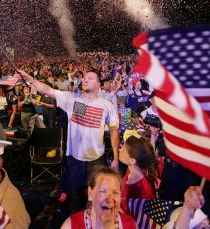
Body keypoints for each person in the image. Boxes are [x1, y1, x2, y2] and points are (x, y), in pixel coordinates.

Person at [19, 69, 120, 213]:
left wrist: (115, 158)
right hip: (75, 161)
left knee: (97, 198)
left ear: (98, 85)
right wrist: (30, 79)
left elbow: (113, 130)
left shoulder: (106, 105)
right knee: (74, 200)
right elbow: (48, 90)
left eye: (90, 78)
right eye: (84, 78)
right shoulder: (73, 101)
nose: (85, 80)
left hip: (97, 161)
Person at [60, 166, 136, 229]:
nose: (110, 199)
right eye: (103, 191)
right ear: (90, 193)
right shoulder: (71, 226)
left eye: (115, 193)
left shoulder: (131, 225)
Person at [119, 135, 157, 214]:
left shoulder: (143, 193)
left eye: (123, 150)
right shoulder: (131, 170)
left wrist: (116, 206)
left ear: (132, 160)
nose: (119, 150)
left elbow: (134, 220)